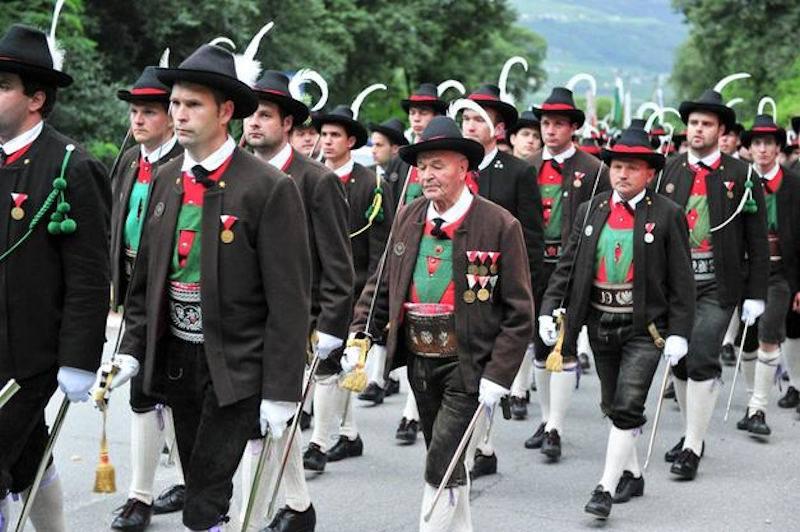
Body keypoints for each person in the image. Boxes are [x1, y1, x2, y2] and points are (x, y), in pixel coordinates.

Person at [111, 43, 312, 531]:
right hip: (177, 356)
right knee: (196, 478)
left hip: (237, 361)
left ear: (225, 112)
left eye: (193, 104)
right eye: (175, 103)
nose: (178, 115)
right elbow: (146, 282)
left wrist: (282, 390)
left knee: (204, 497)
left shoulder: (268, 187)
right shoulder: (165, 179)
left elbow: (289, 299)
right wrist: (131, 349)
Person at [347, 115, 532, 531]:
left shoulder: (500, 225)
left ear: (463, 168)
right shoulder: (408, 215)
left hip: (469, 365)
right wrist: (360, 333)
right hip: (418, 360)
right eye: (422, 166)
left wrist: (499, 374)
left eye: (438, 165)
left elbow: (519, 313)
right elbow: (382, 284)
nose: (426, 175)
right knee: (445, 457)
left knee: (441, 464)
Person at [540, 124, 694, 519]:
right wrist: (548, 307)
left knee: (627, 405)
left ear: (650, 173)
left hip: (646, 328)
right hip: (600, 323)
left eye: (632, 167)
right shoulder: (591, 210)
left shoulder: (668, 214)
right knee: (611, 404)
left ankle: (604, 488)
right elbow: (568, 266)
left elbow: (682, 280)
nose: (622, 174)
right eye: (617, 167)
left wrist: (680, 332)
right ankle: (633, 474)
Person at [0, 23, 110, 531]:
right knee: (25, 457)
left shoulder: (72, 167)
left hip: (31, 357)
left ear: (36, 98)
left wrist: (79, 360)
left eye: (3, 86)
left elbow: (89, 277)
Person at [240, 70, 356, 531]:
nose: (253, 123)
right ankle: (298, 505)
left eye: (265, 115)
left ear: (288, 123)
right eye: (249, 114)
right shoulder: (236, 174)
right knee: (270, 418)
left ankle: (251, 518)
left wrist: (330, 327)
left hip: (299, 322)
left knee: (264, 420)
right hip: (246, 319)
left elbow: (338, 264)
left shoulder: (316, 180)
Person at [657, 88, 768, 480]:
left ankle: (692, 446)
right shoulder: (668, 170)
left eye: (706, 124)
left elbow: (756, 239)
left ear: (722, 131)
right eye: (693, 123)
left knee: (703, 354)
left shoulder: (743, 175)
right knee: (680, 358)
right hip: (674, 284)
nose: (698, 130)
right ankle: (692, 431)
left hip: (718, 285)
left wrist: (756, 294)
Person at [110, 64, 186, 531]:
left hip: (172, 293)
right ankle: (141, 495)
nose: (138, 120)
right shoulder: (127, 162)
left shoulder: (183, 167)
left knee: (164, 391)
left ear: (171, 117)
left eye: (149, 112)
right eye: (134, 112)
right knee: (143, 389)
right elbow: (117, 226)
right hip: (132, 291)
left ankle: (175, 483)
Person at [302, 105, 393, 472]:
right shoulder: (309, 176)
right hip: (311, 286)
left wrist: (370, 296)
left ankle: (319, 444)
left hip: (352, 289)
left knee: (330, 365)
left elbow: (380, 249)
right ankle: (349, 433)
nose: (326, 141)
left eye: (335, 135)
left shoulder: (372, 185)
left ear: (351, 141)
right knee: (330, 365)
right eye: (323, 134)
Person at [523, 87, 609, 461]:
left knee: (565, 342)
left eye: (559, 123)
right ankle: (545, 419)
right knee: (540, 344)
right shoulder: (525, 167)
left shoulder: (594, 170)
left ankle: (556, 426)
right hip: (534, 266)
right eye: (546, 123)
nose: (550, 130)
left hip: (572, 267)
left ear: (573, 127)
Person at [733, 115, 800, 436]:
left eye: (768, 143)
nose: (762, 149)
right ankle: (751, 400)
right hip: (745, 271)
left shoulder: (795, 184)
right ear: (749, 148)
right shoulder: (738, 181)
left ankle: (759, 409)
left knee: (770, 332)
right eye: (756, 143)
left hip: (780, 272)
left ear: (778, 148)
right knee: (746, 340)